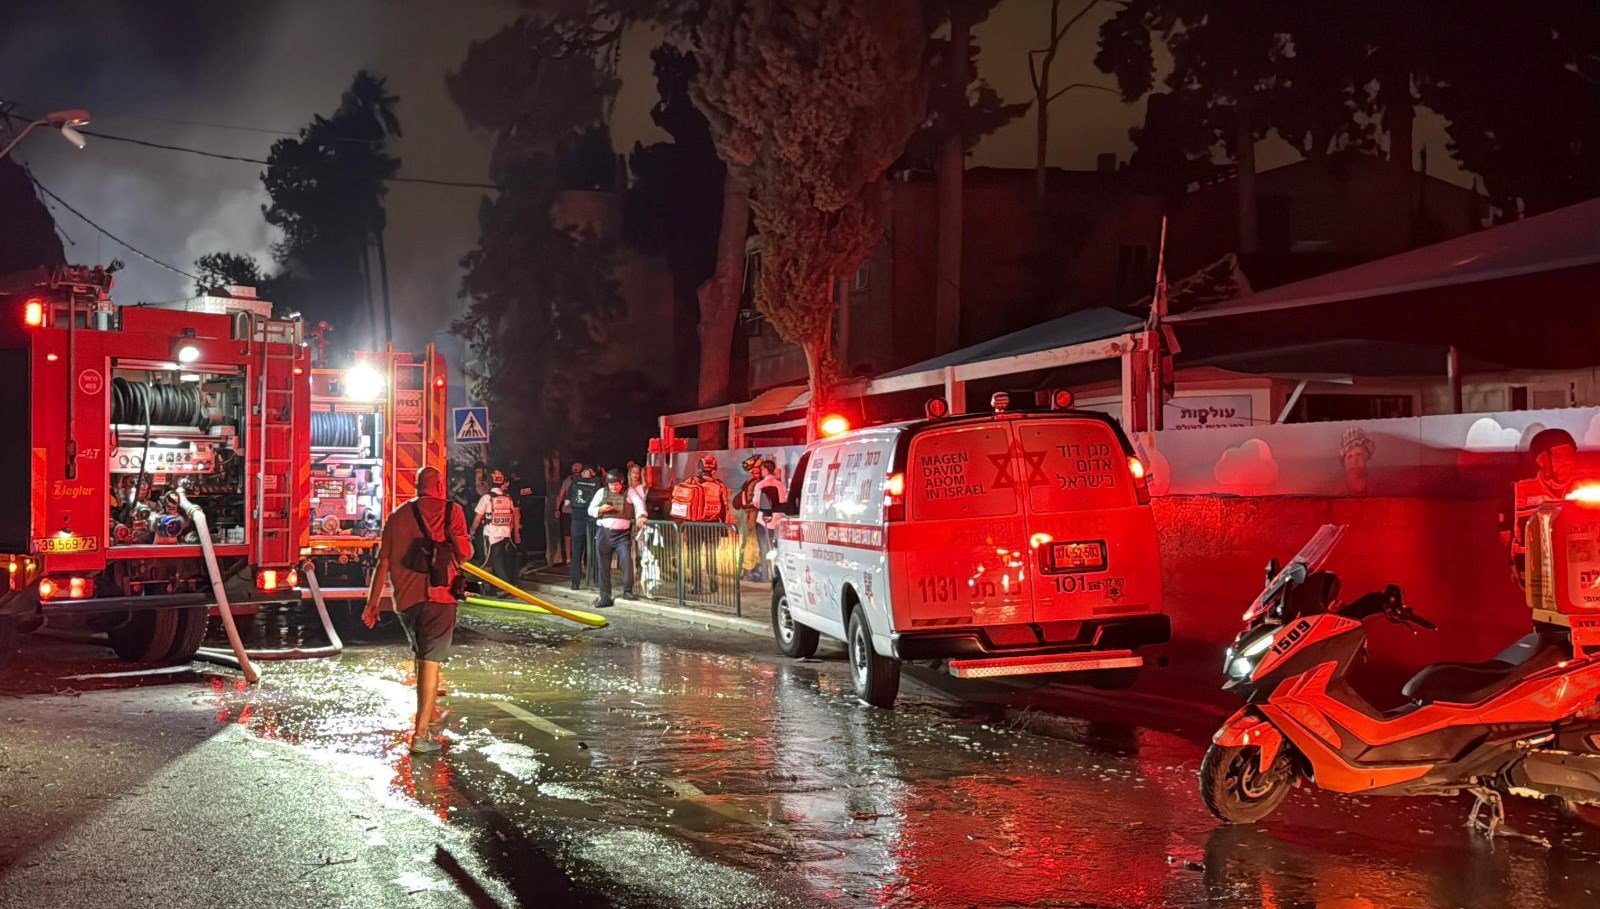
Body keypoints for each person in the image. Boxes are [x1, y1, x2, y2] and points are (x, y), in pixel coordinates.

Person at [363, 465, 472, 754]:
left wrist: (372, 604)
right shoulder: (452, 512)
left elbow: (383, 563)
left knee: (422, 655)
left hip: (406, 600)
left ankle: (431, 711)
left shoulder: (397, 516)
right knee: (430, 661)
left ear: (416, 486)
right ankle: (421, 735)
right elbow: (465, 554)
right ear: (439, 486)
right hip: (440, 595)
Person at [1505, 428, 1582, 587]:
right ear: (1541, 460)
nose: (1568, 462)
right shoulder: (1519, 492)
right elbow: (1506, 536)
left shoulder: (1589, 486)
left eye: (1570, 455)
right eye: (1560, 456)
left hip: (1584, 581)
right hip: (1538, 583)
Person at [588, 468, 647, 608]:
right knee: (604, 566)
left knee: (627, 561)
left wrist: (641, 516)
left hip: (622, 536)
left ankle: (627, 591)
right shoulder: (602, 492)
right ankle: (605, 597)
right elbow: (590, 509)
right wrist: (600, 509)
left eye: (616, 484)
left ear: (622, 482)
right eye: (611, 485)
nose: (613, 487)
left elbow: (639, 504)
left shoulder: (630, 492)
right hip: (604, 533)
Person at [685, 454, 734, 595]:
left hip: (694, 525)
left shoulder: (691, 482)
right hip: (713, 526)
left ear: (699, 468)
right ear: (714, 469)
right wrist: (724, 528)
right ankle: (713, 585)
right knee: (712, 555)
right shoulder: (720, 485)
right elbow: (725, 508)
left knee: (694, 555)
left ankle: (697, 586)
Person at [472, 468, 521, 583]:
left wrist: (472, 531)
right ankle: (497, 586)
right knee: (500, 559)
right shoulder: (508, 498)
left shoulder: (487, 498)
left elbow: (477, 518)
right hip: (505, 535)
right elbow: (514, 517)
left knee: (495, 561)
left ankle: (506, 586)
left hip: (492, 535)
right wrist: (515, 533)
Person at [747, 459, 786, 583]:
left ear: (765, 470)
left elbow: (757, 503)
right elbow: (783, 501)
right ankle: (777, 576)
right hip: (777, 521)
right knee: (777, 549)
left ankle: (765, 576)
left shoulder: (760, 485)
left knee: (764, 549)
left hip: (763, 521)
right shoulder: (781, 485)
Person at [566, 465, 602, 590]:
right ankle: (597, 580)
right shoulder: (597, 484)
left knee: (576, 552)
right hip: (592, 520)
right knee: (595, 550)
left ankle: (575, 583)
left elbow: (567, 502)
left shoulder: (574, 483)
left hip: (577, 520)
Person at [734, 455, 764, 580]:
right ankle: (753, 567)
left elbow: (749, 501)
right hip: (752, 515)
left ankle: (750, 568)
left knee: (751, 542)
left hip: (753, 515)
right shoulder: (754, 480)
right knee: (753, 542)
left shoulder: (756, 482)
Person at [553, 461, 582, 566]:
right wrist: (557, 509)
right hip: (571, 511)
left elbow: (561, 496)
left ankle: (574, 558)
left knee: (573, 536)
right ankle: (571, 558)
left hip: (576, 512)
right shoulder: (568, 481)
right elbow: (561, 495)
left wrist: (557, 509)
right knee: (569, 536)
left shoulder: (581, 481)